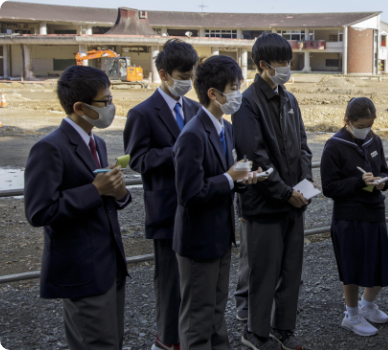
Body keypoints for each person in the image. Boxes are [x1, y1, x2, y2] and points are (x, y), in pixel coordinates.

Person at [24, 65, 131, 350]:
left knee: (113, 341)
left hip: (109, 265)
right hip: (82, 270)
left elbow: (109, 198)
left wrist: (120, 193)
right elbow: (39, 212)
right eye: (105, 102)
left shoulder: (96, 142)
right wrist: (95, 189)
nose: (112, 107)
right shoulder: (50, 148)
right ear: (80, 107)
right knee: (96, 343)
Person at [233, 32, 313, 350]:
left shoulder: (289, 99)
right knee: (264, 272)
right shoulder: (246, 103)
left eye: (289, 62)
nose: (287, 68)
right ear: (264, 65)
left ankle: (283, 328)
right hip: (265, 203)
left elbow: (303, 146)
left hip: (295, 199)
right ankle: (256, 332)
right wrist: (283, 192)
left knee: (291, 269)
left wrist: (304, 184)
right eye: (282, 63)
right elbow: (254, 156)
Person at [172, 55, 258, 350]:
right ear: (213, 93)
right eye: (234, 87)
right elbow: (189, 195)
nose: (238, 93)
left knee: (216, 310)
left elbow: (227, 180)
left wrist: (242, 179)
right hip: (198, 240)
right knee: (198, 315)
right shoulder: (192, 135)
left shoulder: (226, 128)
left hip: (221, 236)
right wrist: (230, 178)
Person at [123, 38, 200, 350]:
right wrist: (177, 152)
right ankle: (166, 341)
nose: (188, 82)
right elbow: (137, 160)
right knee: (169, 281)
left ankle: (191, 336)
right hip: (166, 209)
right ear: (165, 74)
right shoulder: (142, 113)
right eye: (183, 77)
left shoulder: (195, 108)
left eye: (191, 76)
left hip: (198, 204)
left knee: (195, 279)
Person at [320, 97, 388, 337]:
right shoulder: (334, 145)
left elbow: (384, 169)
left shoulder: (375, 140)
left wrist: (383, 181)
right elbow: (329, 187)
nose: (366, 129)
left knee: (378, 264)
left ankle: (367, 305)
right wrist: (357, 183)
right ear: (348, 121)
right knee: (351, 267)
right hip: (348, 215)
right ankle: (351, 315)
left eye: (370, 124)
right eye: (362, 125)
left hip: (374, 209)